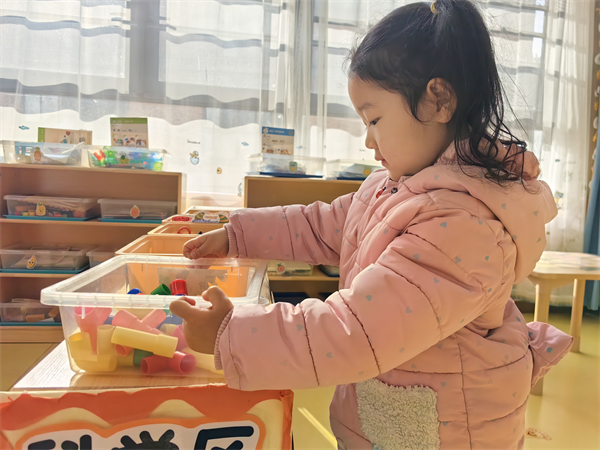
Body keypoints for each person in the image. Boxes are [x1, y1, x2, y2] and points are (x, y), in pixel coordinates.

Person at [170, 1, 573, 448]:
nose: (367, 140)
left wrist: (234, 335)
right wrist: (237, 234)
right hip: (395, 416)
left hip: (448, 433)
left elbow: (356, 331)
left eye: (375, 119)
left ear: (438, 100)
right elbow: (321, 225)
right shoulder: (392, 185)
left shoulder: (467, 226)